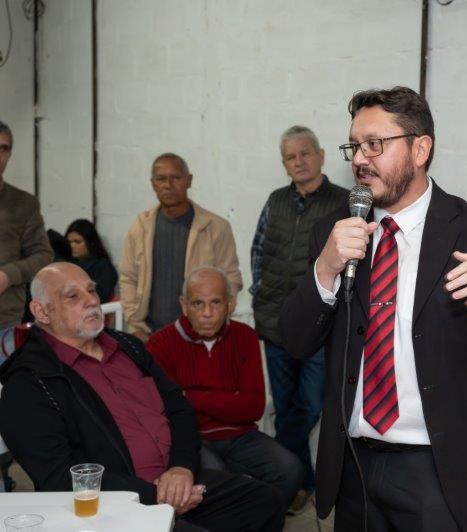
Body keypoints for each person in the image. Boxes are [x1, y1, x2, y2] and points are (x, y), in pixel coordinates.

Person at [279, 86, 467, 531]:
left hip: (445, 470)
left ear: (420, 149)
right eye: (354, 146)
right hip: (355, 466)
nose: (360, 159)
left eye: (375, 144)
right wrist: (325, 268)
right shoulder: (336, 230)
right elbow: (295, 339)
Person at [0, 262, 284, 531]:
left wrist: (181, 468)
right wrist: (153, 494)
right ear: (41, 312)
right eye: (73, 296)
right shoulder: (29, 383)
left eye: (92, 290)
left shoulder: (127, 347)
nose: (92, 301)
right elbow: (57, 476)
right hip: (113, 504)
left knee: (265, 501)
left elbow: (179, 409)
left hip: (176, 478)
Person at [250, 125, 349, 512]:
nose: (299, 161)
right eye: (290, 157)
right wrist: (261, 293)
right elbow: (258, 251)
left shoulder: (342, 203)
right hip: (275, 324)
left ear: (321, 156)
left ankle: (281, 472)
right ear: (284, 164)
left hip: (320, 327)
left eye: (305, 153)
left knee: (307, 407)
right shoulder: (275, 200)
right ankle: (300, 482)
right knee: (285, 404)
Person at [147, 266, 303, 508]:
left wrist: (190, 396)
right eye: (198, 303)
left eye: (216, 302)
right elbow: (168, 410)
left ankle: (260, 519)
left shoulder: (245, 337)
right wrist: (228, 399)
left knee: (290, 469)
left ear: (230, 304)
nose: (207, 313)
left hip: (241, 436)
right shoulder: (159, 344)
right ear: (184, 305)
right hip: (191, 438)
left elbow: (253, 407)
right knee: (217, 482)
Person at [119, 153, 242, 342]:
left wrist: (213, 323)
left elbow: (230, 280)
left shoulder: (216, 227)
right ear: (153, 184)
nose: (168, 185)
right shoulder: (140, 227)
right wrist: (134, 325)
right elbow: (128, 277)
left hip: (200, 337)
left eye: (176, 177)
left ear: (189, 180)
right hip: (151, 336)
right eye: (161, 179)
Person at [0, 120, 54, 359]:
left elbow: (43, 255)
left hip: (4, 323)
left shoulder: (24, 204)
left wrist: (8, 275)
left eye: (3, 148)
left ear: (9, 154)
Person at [66, 219, 119, 304]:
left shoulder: (104, 267)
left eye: (77, 242)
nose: (72, 246)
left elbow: (100, 297)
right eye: (69, 242)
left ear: (91, 243)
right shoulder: (66, 264)